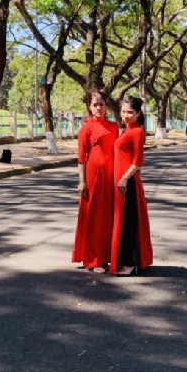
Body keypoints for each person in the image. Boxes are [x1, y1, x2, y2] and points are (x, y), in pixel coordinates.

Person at [73, 90, 120, 273]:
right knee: (94, 217)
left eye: (101, 104)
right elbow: (81, 158)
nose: (98, 107)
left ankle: (107, 257)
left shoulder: (114, 126)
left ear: (106, 106)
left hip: (112, 177)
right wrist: (82, 181)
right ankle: (93, 260)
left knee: (108, 218)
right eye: (95, 105)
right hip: (93, 177)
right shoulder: (86, 128)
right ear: (89, 108)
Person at [112, 97, 154, 276]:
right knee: (122, 220)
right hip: (121, 181)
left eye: (130, 112)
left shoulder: (136, 131)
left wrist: (124, 178)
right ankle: (126, 261)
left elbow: (138, 161)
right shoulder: (126, 130)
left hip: (126, 182)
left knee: (128, 222)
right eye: (123, 111)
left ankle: (130, 263)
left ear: (138, 113)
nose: (126, 115)